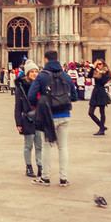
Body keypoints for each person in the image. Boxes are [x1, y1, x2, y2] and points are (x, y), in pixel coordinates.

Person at [30, 51, 78, 186]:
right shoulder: (66, 76)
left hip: (49, 116)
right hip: (65, 115)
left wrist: (41, 105)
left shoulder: (42, 76)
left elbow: (31, 96)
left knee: (47, 146)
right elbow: (74, 97)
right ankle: (63, 178)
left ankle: (45, 178)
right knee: (63, 147)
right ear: (57, 59)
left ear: (46, 60)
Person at [14, 61, 42, 178]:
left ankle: (40, 166)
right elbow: (17, 106)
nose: (34, 74)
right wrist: (18, 122)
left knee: (39, 145)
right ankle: (29, 167)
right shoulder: (21, 87)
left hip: (40, 117)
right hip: (27, 118)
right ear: (27, 73)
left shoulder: (41, 85)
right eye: (32, 72)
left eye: (36, 71)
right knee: (28, 144)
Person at [87, 60, 111, 136]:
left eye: (99, 64)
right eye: (97, 64)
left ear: (103, 65)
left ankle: (101, 130)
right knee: (90, 112)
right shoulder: (95, 71)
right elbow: (89, 76)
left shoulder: (106, 72)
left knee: (102, 112)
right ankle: (101, 126)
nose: (98, 65)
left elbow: (102, 81)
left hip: (101, 91)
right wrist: (93, 68)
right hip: (95, 92)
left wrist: (99, 71)